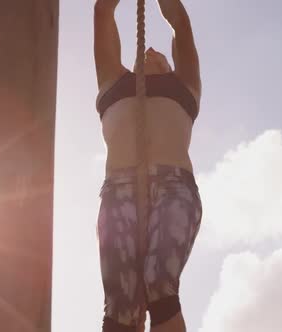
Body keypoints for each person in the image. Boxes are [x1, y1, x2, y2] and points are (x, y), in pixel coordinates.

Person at [94, 0, 202, 331]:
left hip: (174, 186)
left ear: (171, 65)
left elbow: (180, 24)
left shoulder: (185, 87)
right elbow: (102, 11)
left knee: (159, 281)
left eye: (159, 55)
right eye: (145, 53)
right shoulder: (113, 81)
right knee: (121, 304)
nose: (150, 49)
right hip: (119, 191)